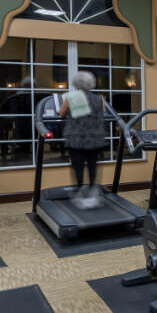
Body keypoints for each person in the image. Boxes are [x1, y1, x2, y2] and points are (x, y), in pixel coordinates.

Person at [58, 71, 107, 209]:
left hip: (76, 138)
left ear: (76, 83)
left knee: (78, 166)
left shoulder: (70, 98)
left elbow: (61, 113)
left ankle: (80, 192)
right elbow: (101, 112)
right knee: (92, 165)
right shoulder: (100, 98)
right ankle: (92, 192)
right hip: (95, 138)